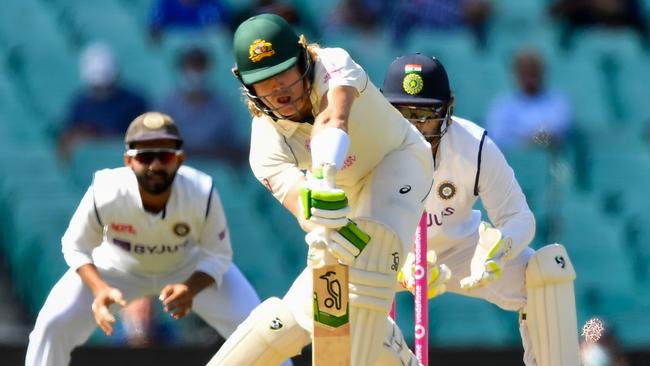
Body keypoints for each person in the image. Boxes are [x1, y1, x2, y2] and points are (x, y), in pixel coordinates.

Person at [206, 14, 434, 366]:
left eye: (283, 73)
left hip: (398, 162)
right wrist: (321, 218)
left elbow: (333, 118)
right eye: (263, 82)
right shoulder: (265, 145)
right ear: (247, 86)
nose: (278, 89)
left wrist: (325, 175)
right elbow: (300, 204)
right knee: (281, 325)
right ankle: (393, 350)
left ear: (303, 59)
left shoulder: (333, 62)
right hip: (344, 201)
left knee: (370, 258)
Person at [382, 53, 580, 366]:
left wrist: (500, 247)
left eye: (426, 114)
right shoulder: (366, 147)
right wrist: (400, 263)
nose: (415, 126)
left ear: (448, 110)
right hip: (386, 253)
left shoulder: (473, 145)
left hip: (462, 252)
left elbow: (518, 217)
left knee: (546, 275)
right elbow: (345, 224)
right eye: (403, 113)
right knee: (324, 287)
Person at [26, 112, 260, 366]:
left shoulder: (201, 191)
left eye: (166, 156)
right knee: (51, 324)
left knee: (262, 329)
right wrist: (99, 289)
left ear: (180, 159)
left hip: (186, 267)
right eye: (146, 157)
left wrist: (190, 288)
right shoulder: (106, 190)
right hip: (116, 268)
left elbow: (218, 255)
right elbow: (75, 246)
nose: (156, 166)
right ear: (128, 160)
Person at [58, 42, 148, 161]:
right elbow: (67, 142)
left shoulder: (134, 102)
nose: (103, 92)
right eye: (97, 88)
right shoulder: (80, 106)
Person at [156, 47, 246, 163]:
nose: (195, 72)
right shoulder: (165, 104)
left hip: (216, 170)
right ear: (181, 70)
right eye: (191, 67)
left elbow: (234, 147)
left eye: (200, 67)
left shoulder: (222, 106)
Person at [485, 48, 572, 152]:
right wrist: (531, 139)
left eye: (534, 72)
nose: (529, 78)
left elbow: (558, 132)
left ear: (542, 73)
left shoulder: (558, 101)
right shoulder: (502, 104)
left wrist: (528, 138)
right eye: (525, 73)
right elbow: (498, 137)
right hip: (513, 162)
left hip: (551, 161)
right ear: (516, 74)